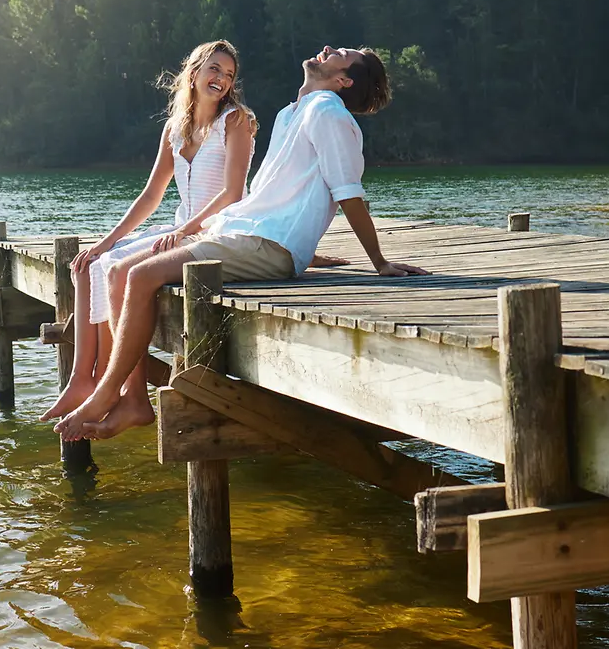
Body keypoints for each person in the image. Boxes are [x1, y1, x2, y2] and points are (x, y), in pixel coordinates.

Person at [55, 45, 428, 442]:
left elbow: (348, 192)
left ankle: (111, 393)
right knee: (118, 269)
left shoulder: (328, 112)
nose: (327, 49)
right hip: (242, 234)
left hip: (265, 245)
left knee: (142, 276)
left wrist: (379, 261)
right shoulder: (291, 114)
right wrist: (308, 251)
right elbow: (272, 197)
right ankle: (130, 398)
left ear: (344, 80)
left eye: (340, 53)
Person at [40, 40, 257, 431]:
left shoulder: (236, 121)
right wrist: (106, 241)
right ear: (193, 73)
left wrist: (187, 230)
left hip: (218, 231)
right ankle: (88, 383)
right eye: (214, 69)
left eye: (228, 75)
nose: (221, 79)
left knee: (119, 273)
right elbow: (151, 195)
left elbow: (233, 194)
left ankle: (130, 398)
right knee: (96, 265)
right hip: (182, 228)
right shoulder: (176, 129)